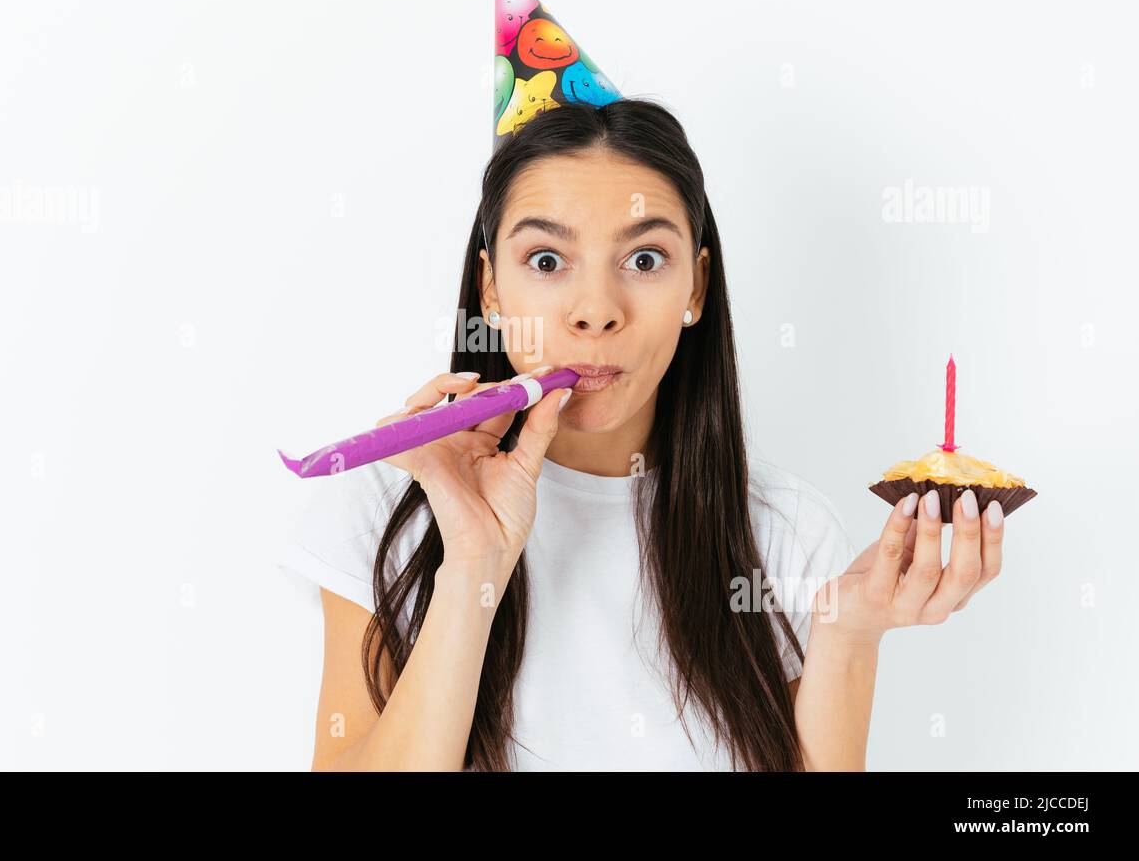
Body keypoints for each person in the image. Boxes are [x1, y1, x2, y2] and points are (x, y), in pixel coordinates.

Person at [276, 99, 1008, 771]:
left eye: (645, 260)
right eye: (546, 261)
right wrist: (473, 562)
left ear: (695, 287)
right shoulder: (385, 510)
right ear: (491, 291)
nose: (596, 310)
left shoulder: (784, 533)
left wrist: (846, 639)